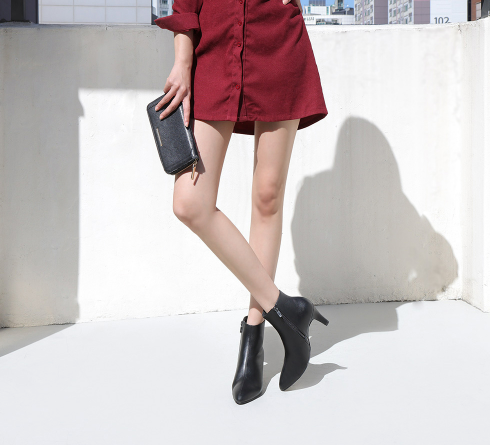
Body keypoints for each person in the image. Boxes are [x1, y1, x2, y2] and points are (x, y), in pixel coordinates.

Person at [153, 0, 329, 404]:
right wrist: (182, 61)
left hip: (277, 44)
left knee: (268, 196)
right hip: (214, 52)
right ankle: (286, 310)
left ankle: (255, 332)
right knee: (190, 202)